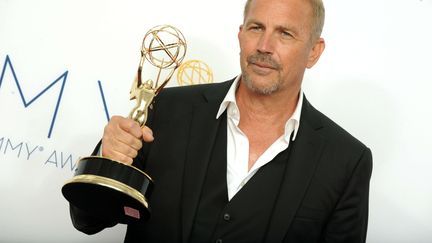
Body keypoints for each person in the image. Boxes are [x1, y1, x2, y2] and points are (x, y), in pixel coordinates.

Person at [69, 0, 373, 242]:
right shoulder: (166, 110)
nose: (264, 46)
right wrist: (107, 159)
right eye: (256, 28)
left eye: (285, 33)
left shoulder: (346, 161)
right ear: (240, 34)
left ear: (314, 52)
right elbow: (88, 220)